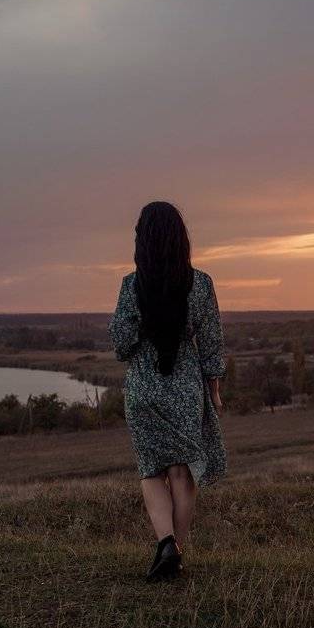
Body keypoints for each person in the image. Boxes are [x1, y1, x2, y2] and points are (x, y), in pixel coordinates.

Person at [108, 201, 227, 581]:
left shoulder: (131, 285)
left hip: (144, 388)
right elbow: (211, 343)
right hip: (185, 388)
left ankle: (166, 544)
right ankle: (176, 552)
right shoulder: (201, 283)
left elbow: (121, 346)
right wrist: (214, 390)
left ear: (142, 240)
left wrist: (144, 318)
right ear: (180, 238)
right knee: (181, 472)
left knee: (151, 470)